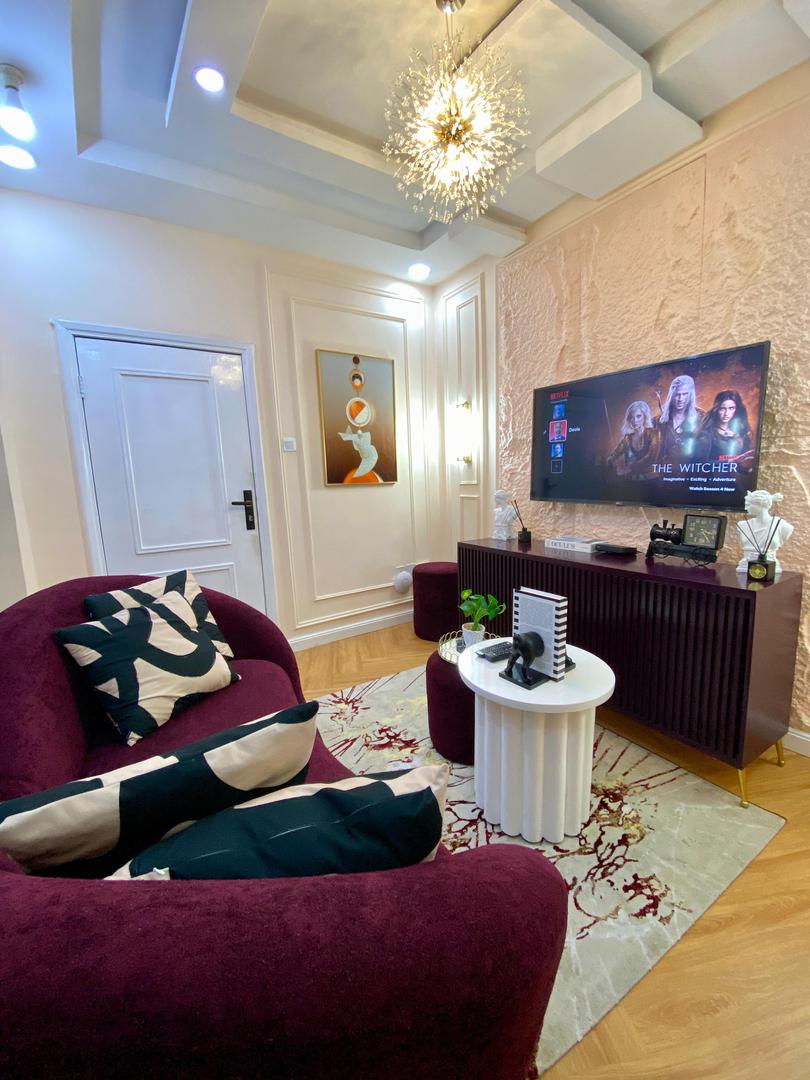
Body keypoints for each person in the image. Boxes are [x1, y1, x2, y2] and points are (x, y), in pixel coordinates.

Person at [735, 490, 793, 575]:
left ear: (761, 504)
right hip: (745, 566)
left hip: (770, 566)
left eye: (749, 504)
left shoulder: (782, 526)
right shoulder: (743, 525)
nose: (746, 508)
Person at [697, 389, 753, 470]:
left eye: (731, 408)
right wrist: (730, 461)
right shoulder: (707, 434)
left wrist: (747, 468)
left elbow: (739, 466)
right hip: (710, 477)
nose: (726, 413)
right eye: (722, 409)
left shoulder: (741, 433)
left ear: (736, 409)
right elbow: (700, 464)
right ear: (717, 409)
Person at [655, 374, 705, 463]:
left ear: (690, 395)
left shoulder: (702, 417)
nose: (680, 399)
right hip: (665, 470)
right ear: (671, 395)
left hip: (694, 470)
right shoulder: (658, 421)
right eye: (677, 394)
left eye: (684, 394)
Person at [606, 400, 659, 478]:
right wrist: (607, 463)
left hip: (651, 479)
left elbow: (651, 457)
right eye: (631, 417)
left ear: (645, 416)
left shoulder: (653, 434)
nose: (635, 421)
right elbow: (615, 454)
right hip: (631, 481)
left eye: (638, 416)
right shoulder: (627, 438)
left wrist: (628, 469)